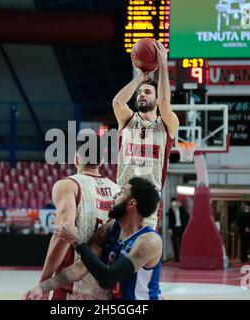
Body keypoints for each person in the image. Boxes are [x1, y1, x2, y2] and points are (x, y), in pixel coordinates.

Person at [24, 177, 163, 300]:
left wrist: (76, 240)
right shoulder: (110, 229)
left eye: (121, 193)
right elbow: (79, 268)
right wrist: (42, 287)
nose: (114, 196)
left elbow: (107, 278)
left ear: (131, 204)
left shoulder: (148, 242)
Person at [36, 139, 121, 300]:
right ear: (102, 160)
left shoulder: (69, 186)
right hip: (107, 289)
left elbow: (63, 233)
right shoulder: (118, 191)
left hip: (73, 287)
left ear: (76, 158)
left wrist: (44, 283)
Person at [112, 41, 179, 230]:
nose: (141, 95)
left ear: (156, 99)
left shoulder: (166, 124)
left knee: (142, 251)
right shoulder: (128, 120)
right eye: (140, 92)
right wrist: (141, 76)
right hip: (123, 194)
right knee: (116, 250)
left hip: (148, 200)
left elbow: (165, 102)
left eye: (147, 92)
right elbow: (117, 102)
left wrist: (163, 63)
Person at [167, 196, 190, 262]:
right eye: (172, 203)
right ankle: (177, 259)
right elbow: (170, 220)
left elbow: (188, 216)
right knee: (175, 244)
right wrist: (169, 229)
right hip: (174, 229)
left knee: (181, 243)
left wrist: (185, 225)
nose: (173, 204)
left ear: (177, 202)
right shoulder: (171, 210)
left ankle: (181, 257)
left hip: (181, 228)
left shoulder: (181, 209)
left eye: (175, 202)